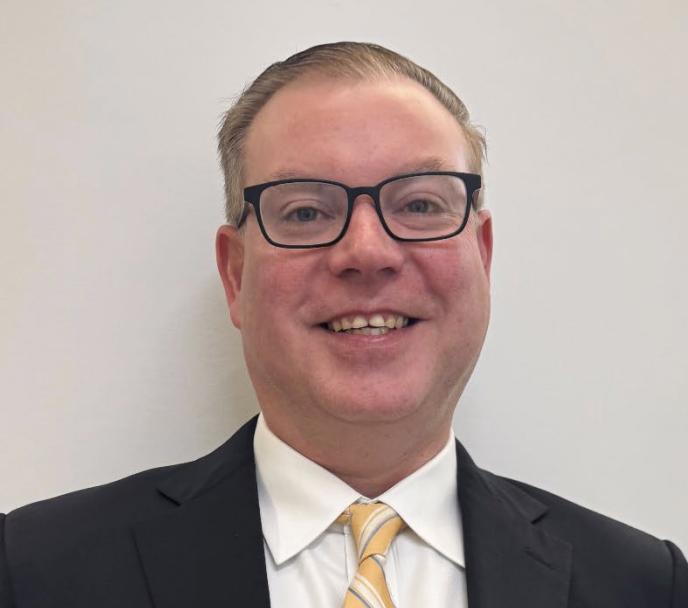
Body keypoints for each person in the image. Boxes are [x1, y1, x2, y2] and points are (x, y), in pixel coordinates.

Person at [1, 41, 686, 608]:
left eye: (419, 206)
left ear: (482, 255)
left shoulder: (647, 587)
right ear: (236, 274)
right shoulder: (31, 573)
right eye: (305, 212)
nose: (366, 251)